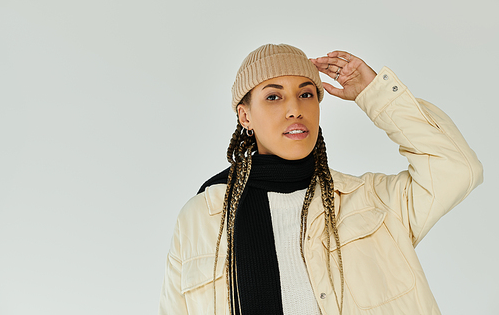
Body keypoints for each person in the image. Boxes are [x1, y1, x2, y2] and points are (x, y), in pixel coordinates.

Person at [159, 44, 483, 315]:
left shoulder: (373, 202)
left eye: (307, 94)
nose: (294, 109)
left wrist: (375, 94)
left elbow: (457, 168)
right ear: (245, 116)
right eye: (273, 97)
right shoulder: (202, 218)